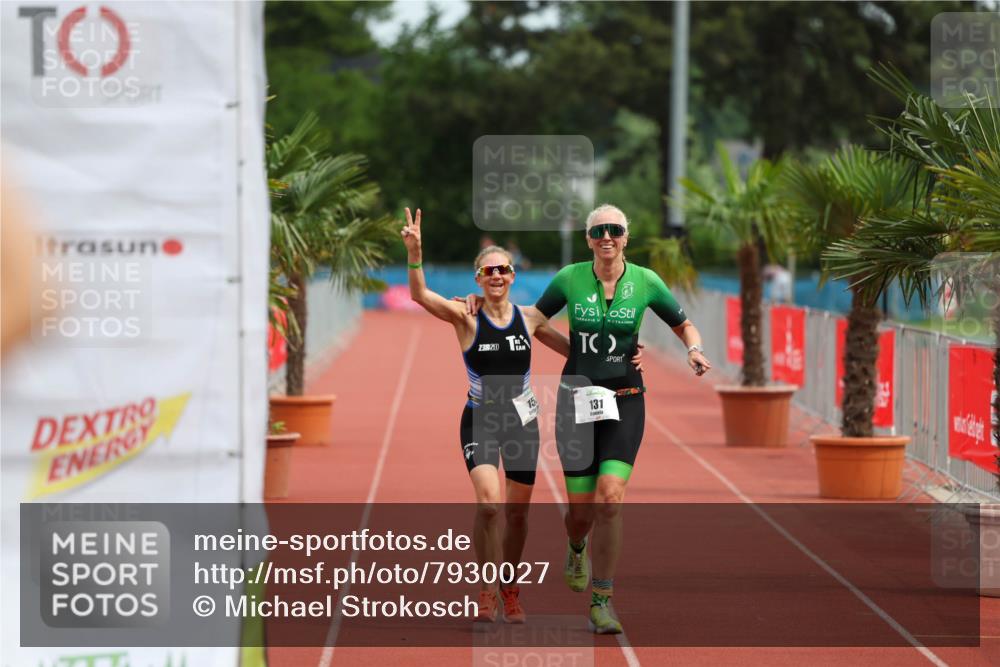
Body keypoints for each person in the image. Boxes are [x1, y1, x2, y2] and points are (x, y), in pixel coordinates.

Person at [466, 203, 712, 634]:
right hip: (575, 400)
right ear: (588, 238)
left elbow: (684, 325)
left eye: (615, 229)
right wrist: (483, 300)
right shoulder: (570, 278)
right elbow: (533, 322)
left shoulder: (646, 282)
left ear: (626, 236)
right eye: (599, 230)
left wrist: (693, 349)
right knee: (581, 514)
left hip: (627, 397)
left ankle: (602, 600)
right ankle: (576, 544)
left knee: (611, 497)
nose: (607, 237)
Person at [400, 206, 644, 624]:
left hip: (522, 424)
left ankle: (511, 589)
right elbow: (421, 296)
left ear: (513, 276)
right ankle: (486, 588)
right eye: (488, 271)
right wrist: (415, 253)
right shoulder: (465, 316)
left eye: (503, 270)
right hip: (480, 419)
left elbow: (578, 352)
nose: (496, 276)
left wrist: (623, 358)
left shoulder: (530, 319)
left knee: (517, 514)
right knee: (490, 505)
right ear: (477, 279)